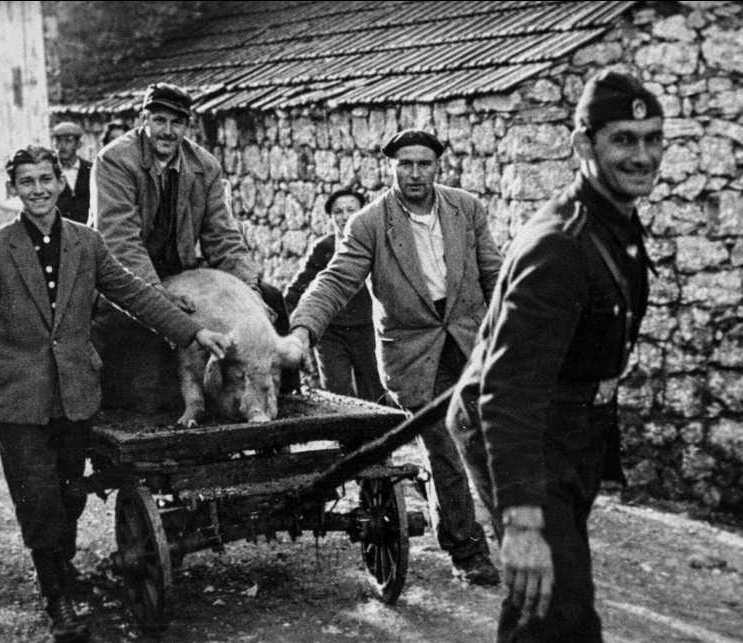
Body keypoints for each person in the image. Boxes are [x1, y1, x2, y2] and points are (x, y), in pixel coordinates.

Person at [0, 145, 231, 643]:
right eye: (27, 181)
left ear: (61, 183)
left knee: (69, 495)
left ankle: (59, 565)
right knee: (38, 498)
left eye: (46, 179)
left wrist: (193, 333)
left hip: (75, 393)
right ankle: (57, 594)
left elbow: (134, 294)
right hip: (18, 397)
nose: (38, 189)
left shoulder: (86, 242)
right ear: (13, 189)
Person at [456, 69, 662, 643]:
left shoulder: (614, 224)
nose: (642, 155)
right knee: (563, 624)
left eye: (652, 139)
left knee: (536, 600)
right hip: (524, 432)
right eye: (623, 139)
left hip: (567, 434)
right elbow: (508, 393)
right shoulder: (562, 246)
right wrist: (520, 522)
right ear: (582, 145)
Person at [289, 130, 503, 586]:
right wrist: (303, 329)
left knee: (488, 444)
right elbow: (335, 280)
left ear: (438, 167)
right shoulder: (369, 223)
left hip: (469, 343)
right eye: (405, 164)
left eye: (424, 164)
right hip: (413, 353)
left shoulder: (466, 209)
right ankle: (467, 551)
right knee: (446, 449)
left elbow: (493, 273)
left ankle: (512, 536)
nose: (415, 173)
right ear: (390, 168)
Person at [90, 82, 296, 403]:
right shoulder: (115, 161)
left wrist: (250, 290)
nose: (167, 131)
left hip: (181, 274)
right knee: (132, 362)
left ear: (188, 125)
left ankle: (282, 391)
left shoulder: (204, 166)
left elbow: (222, 236)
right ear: (143, 120)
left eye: (177, 123)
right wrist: (156, 294)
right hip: (123, 278)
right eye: (159, 120)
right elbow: (120, 241)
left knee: (270, 298)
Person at [284, 188, 383, 403]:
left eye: (351, 210)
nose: (345, 217)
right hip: (331, 333)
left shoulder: (375, 246)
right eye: (338, 212)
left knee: (375, 390)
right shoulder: (324, 248)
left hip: (367, 331)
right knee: (337, 392)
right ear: (330, 217)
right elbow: (297, 290)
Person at [50, 121, 92, 223]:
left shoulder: (90, 169)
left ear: (78, 144)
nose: (62, 146)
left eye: (68, 141)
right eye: (58, 140)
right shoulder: (50, 170)